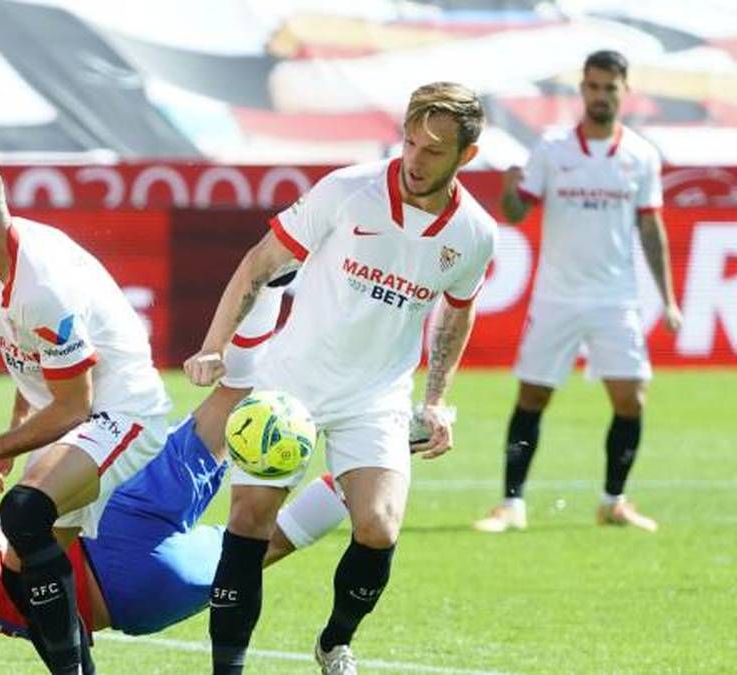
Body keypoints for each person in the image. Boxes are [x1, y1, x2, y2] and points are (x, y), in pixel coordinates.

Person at [184, 82, 496, 675]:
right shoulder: (348, 190)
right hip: (290, 383)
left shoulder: (474, 233)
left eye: (433, 151)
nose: (414, 159)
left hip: (376, 396)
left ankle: (334, 643)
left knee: (378, 529)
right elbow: (260, 262)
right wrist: (212, 347)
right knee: (249, 520)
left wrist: (436, 400)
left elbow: (459, 309)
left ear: (466, 157)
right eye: (409, 142)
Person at [0, 393, 350, 671]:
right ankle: (358, 450)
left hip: (127, 593)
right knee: (219, 413)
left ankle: (351, 479)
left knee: (265, 547)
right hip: (106, 533)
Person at [0, 150, 172, 673]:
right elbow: (30, 362)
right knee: (17, 571)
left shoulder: (41, 284)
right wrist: (15, 433)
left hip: (125, 411)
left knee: (26, 513)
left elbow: (76, 406)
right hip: (84, 413)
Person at [474, 50, 679, 535]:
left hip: (615, 299)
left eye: (610, 87)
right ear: (582, 89)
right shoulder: (552, 147)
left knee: (631, 399)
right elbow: (518, 211)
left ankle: (613, 501)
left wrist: (668, 299)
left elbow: (652, 228)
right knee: (532, 397)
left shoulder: (641, 155)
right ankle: (511, 504)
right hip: (557, 297)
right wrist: (508, 190)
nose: (601, 95)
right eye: (593, 86)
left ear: (625, 91)